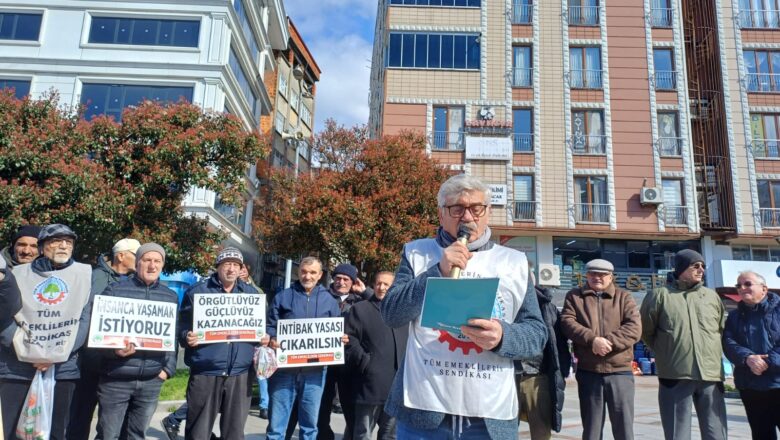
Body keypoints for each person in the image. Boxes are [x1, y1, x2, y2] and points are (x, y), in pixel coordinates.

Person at [380, 174, 547, 439]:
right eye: (456, 208)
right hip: (422, 414)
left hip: (488, 418)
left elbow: (537, 335)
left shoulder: (514, 263)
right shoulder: (417, 253)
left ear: (487, 213)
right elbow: (391, 314)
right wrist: (436, 272)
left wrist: (503, 336)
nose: (467, 217)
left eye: (476, 208)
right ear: (441, 214)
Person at [0, 224, 93, 440]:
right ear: (41, 247)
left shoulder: (84, 274)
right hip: (17, 369)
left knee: (56, 432)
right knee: (15, 431)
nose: (63, 246)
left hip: (62, 370)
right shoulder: (17, 274)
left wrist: (55, 355)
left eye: (68, 242)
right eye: (55, 241)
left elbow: (84, 320)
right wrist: (28, 351)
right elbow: (4, 317)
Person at [640, 249, 727, 440]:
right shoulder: (659, 295)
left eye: (703, 266)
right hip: (675, 375)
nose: (701, 270)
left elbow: (720, 330)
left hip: (711, 375)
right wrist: (668, 352)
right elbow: (646, 331)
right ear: (680, 268)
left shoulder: (711, 297)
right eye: (695, 266)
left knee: (716, 433)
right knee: (677, 434)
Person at [95, 243, 177, 440]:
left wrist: (167, 370)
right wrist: (114, 351)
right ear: (138, 262)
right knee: (108, 435)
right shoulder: (114, 290)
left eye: (157, 261)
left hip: (151, 380)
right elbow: (97, 335)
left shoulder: (170, 296)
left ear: (162, 265)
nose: (152, 265)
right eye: (147, 260)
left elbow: (172, 337)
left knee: (137, 435)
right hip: (116, 378)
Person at [178, 247, 262, 440]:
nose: (231, 269)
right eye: (227, 264)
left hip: (240, 373)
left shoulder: (251, 295)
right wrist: (186, 335)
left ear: (241, 268)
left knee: (234, 432)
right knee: (198, 430)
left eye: (235, 265)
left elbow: (259, 328)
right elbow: (181, 324)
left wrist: (262, 336)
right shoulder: (198, 292)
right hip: (206, 371)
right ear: (218, 267)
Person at [68, 237, 141, 440]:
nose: (141, 259)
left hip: (121, 365)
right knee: (80, 417)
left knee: (111, 423)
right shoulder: (93, 277)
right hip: (89, 362)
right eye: (137, 255)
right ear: (121, 255)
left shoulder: (138, 282)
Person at [265, 257, 345, 440]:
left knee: (310, 426)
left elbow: (337, 330)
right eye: (303, 272)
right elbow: (270, 326)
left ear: (320, 275)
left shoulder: (330, 301)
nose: (307, 276)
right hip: (284, 370)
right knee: (277, 426)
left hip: (315, 372)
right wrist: (272, 339)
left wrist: (341, 339)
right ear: (298, 272)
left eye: (312, 272)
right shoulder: (283, 296)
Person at [560, 259, 641, 440]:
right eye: (593, 274)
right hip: (590, 372)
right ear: (586, 275)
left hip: (620, 372)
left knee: (624, 427)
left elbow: (634, 328)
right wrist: (592, 340)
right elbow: (567, 322)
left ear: (610, 276)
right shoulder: (574, 296)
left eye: (602, 274)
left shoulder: (624, 297)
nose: (597, 277)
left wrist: (606, 342)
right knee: (591, 429)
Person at [345, 271, 407, 440]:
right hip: (369, 385)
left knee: (390, 435)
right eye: (379, 283)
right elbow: (349, 339)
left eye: (387, 284)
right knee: (362, 433)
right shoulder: (360, 309)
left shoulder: (403, 312)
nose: (382, 287)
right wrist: (365, 362)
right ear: (373, 285)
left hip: (396, 387)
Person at [722, 271, 780, 439]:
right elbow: (728, 342)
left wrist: (768, 361)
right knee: (761, 434)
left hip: (777, 382)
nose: (742, 288)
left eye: (747, 284)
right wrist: (748, 358)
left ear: (764, 288)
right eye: (738, 285)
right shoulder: (734, 316)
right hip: (750, 385)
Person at [514, 273, 571, 440]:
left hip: (539, 378)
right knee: (503, 432)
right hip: (508, 376)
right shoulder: (504, 300)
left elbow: (559, 343)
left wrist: (562, 371)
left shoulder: (548, 307)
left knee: (541, 432)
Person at [319, 263, 370, 440]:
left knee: (350, 405)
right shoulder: (321, 296)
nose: (341, 282)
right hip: (324, 360)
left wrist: (365, 292)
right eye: (338, 278)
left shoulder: (361, 301)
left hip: (348, 362)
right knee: (322, 404)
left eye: (346, 279)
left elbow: (382, 307)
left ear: (353, 282)